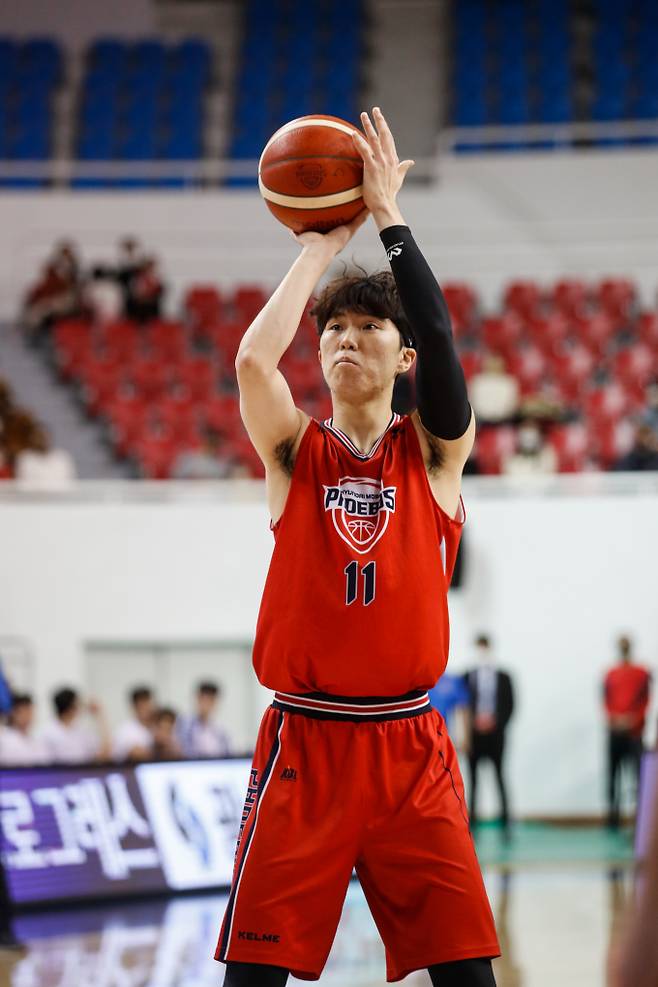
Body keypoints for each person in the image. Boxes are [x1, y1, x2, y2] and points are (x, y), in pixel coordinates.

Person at [215, 107, 499, 987]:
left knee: (468, 978)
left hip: (411, 750)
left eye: (367, 329)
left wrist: (385, 217)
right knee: (250, 983)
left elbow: (446, 340)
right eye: (334, 329)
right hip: (307, 742)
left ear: (403, 355)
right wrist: (314, 246)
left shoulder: (436, 453)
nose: (344, 338)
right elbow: (255, 367)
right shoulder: (297, 453)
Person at [464, 635, 515, 836]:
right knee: (473, 780)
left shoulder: (504, 676)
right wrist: (472, 726)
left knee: (500, 776)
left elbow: (510, 706)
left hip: (496, 736)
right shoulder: (467, 676)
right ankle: (472, 821)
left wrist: (495, 722)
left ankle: (505, 820)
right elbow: (463, 706)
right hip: (475, 736)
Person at [603, 635, 651, 829]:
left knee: (638, 777)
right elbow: (605, 700)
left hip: (634, 732)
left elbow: (645, 699)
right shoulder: (611, 674)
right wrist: (614, 719)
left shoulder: (641, 672)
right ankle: (613, 819)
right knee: (613, 776)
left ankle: (640, 818)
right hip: (615, 732)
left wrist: (633, 720)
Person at [40, 687, 111, 764]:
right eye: (78, 704)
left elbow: (103, 755)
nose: (81, 707)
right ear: (71, 708)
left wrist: (99, 716)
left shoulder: (81, 730)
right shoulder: (47, 733)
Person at [178, 681, 232, 757]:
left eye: (211, 700)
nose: (206, 704)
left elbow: (227, 754)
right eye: (204, 699)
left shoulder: (220, 730)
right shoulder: (185, 725)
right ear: (198, 699)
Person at [469, 355, 519, 425]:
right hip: (479, 422)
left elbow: (512, 405)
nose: (493, 366)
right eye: (491, 363)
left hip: (504, 422)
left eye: (496, 364)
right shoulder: (476, 381)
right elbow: (471, 403)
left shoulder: (509, 382)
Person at [0, 693, 48, 766]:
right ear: (13, 713)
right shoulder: (4, 739)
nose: (27, 716)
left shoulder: (37, 740)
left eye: (29, 711)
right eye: (23, 711)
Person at [428, 671, 470, 753]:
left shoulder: (453, 681)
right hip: (424, 736)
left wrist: (464, 738)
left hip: (446, 738)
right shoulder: (419, 682)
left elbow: (463, 709)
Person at [112, 686, 156, 762]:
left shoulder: (158, 726)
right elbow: (136, 754)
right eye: (142, 705)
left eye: (148, 703)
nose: (147, 708)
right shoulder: (125, 729)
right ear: (134, 707)